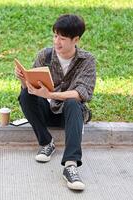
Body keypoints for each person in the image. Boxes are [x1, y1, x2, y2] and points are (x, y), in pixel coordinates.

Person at [15, 14, 96, 191]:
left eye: (63, 38)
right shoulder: (45, 55)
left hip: (70, 115)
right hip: (46, 111)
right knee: (25, 95)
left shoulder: (86, 60)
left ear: (76, 39)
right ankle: (47, 143)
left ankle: (70, 166)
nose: (57, 41)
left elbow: (82, 93)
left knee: (74, 102)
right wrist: (24, 80)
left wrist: (50, 94)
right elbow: (32, 89)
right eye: (55, 36)